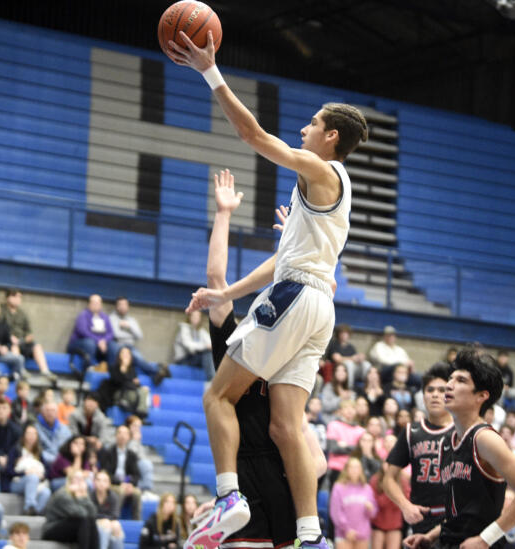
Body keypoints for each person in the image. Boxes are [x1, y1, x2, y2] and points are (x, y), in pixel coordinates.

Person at [173, 52, 367, 545]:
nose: (304, 129)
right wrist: (226, 292)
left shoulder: (323, 171)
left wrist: (209, 72)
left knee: (217, 395)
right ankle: (310, 535)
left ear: (332, 138)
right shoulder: (324, 198)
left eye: (313, 124)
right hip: (318, 304)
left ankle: (227, 498)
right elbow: (282, 263)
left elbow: (254, 136)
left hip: (296, 295)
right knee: (287, 427)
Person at [186, 169, 328, 549]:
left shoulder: (294, 351)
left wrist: (292, 250)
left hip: (273, 472)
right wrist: (223, 214)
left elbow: (319, 464)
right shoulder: (237, 342)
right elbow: (216, 280)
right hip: (248, 467)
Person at [403, 348, 515, 549]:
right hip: (449, 541)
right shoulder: (447, 442)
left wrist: (486, 538)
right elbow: (460, 513)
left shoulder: (484, 438)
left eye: (460, 381)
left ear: (481, 396)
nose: (448, 386)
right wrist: (431, 536)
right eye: (450, 379)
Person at [383, 363, 453, 535]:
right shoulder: (411, 431)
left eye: (441, 390)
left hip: (453, 519)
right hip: (421, 518)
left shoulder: (463, 432)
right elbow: (388, 479)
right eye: (430, 390)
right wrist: (405, 505)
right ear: (423, 396)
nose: (435, 395)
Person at [2, 289, 57, 381]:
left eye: (20, 297)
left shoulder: (22, 314)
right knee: (14, 346)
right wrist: (10, 337)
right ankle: (21, 370)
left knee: (37, 346)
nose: (18, 299)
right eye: (15, 296)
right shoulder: (1, 310)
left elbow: (29, 333)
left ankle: (45, 372)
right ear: (8, 297)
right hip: (8, 342)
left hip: (22, 341)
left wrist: (25, 339)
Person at [110, 296, 167, 380]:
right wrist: (131, 335)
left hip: (131, 346)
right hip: (118, 346)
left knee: (139, 357)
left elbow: (139, 335)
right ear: (116, 306)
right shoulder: (111, 318)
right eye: (120, 304)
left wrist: (129, 327)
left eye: (125, 304)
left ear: (128, 306)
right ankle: (157, 372)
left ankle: (156, 374)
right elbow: (115, 334)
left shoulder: (131, 320)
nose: (123, 307)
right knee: (134, 357)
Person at [42, 469, 101, 549]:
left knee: (91, 521)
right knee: (83, 520)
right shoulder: (63, 494)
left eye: (82, 479)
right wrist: (82, 497)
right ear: (70, 480)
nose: (80, 482)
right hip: (52, 529)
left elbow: (93, 513)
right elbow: (80, 514)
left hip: (72, 528)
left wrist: (84, 496)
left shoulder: (80, 493)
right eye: (77, 478)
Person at [329, 457, 377, 549]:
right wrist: (346, 530)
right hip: (343, 534)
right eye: (352, 467)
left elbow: (373, 513)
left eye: (357, 467)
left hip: (363, 534)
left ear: (361, 470)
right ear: (346, 470)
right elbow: (336, 512)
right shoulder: (338, 487)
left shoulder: (367, 488)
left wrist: (370, 509)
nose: (354, 470)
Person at [98, 424, 143, 520]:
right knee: (121, 491)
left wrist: (130, 484)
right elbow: (106, 473)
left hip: (127, 484)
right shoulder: (108, 452)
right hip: (112, 483)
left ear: (129, 437)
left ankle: (136, 521)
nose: (122, 436)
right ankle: (115, 518)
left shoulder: (132, 455)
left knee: (137, 493)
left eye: (125, 433)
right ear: (116, 436)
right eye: (120, 433)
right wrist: (120, 483)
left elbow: (136, 475)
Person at [4, 423, 50, 514]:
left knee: (46, 492)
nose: (31, 436)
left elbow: (47, 471)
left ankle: (34, 512)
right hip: (17, 482)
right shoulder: (16, 450)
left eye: (34, 434)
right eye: (29, 433)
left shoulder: (39, 453)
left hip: (35, 483)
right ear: (24, 435)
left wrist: (42, 476)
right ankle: (29, 505)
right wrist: (25, 473)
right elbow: (8, 471)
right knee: (32, 477)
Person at [67, 294, 117, 373]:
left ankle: (112, 372)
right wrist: (98, 341)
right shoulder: (83, 315)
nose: (96, 305)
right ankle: (87, 371)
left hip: (99, 346)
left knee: (113, 346)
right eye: (94, 303)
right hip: (79, 344)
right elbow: (82, 331)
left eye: (98, 303)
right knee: (90, 343)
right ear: (89, 304)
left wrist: (104, 341)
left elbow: (110, 333)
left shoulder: (105, 317)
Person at [99, 346, 150, 419]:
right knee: (138, 393)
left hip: (131, 392)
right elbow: (118, 382)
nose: (125, 355)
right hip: (119, 393)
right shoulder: (113, 367)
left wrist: (139, 385)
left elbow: (133, 384)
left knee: (144, 390)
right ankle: (140, 415)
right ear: (119, 355)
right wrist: (123, 368)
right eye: (123, 353)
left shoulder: (132, 369)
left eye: (127, 353)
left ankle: (141, 413)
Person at [326, 399, 366, 486]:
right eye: (346, 408)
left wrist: (345, 446)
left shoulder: (361, 430)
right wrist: (353, 447)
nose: (349, 410)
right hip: (337, 468)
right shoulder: (334, 425)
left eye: (352, 408)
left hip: (356, 468)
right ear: (340, 411)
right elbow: (334, 449)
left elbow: (361, 451)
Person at [172, 310, 214, 380]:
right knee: (207, 353)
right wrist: (205, 346)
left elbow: (211, 343)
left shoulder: (200, 331)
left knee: (212, 354)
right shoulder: (184, 328)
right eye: (194, 316)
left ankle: (217, 379)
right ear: (189, 317)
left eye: (198, 316)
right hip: (183, 360)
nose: (196, 318)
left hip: (194, 358)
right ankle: (212, 380)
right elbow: (189, 346)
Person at [326, 324, 371, 388]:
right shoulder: (334, 344)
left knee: (366, 364)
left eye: (346, 333)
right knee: (349, 364)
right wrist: (352, 358)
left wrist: (360, 358)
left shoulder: (351, 347)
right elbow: (337, 359)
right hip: (338, 369)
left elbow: (355, 359)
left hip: (353, 371)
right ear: (338, 334)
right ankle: (349, 388)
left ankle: (367, 386)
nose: (344, 335)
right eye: (342, 333)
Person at [370, 464, 403, 549]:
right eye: (386, 463)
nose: (388, 466)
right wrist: (393, 495)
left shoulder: (402, 480)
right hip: (378, 523)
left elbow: (403, 502)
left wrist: (387, 495)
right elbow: (376, 502)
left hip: (394, 525)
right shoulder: (375, 480)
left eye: (390, 464)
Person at [92, 469, 125, 549]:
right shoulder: (89, 495)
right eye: (98, 480)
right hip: (91, 525)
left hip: (108, 524)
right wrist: (102, 520)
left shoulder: (113, 497)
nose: (101, 483)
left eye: (104, 481)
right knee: (106, 524)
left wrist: (103, 519)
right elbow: (89, 514)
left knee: (116, 525)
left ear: (109, 483)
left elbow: (115, 515)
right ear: (94, 482)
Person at [36, 400, 72, 467]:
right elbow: (35, 450)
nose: (50, 413)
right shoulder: (35, 429)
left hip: (62, 464)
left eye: (53, 410)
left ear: (57, 413)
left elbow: (69, 449)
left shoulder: (65, 429)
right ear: (42, 412)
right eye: (47, 410)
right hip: (41, 464)